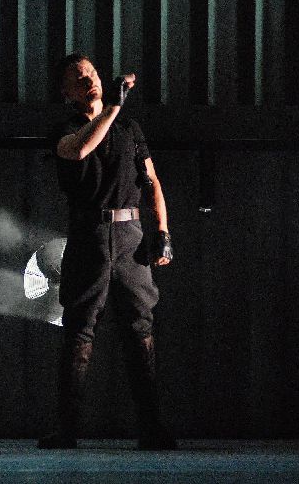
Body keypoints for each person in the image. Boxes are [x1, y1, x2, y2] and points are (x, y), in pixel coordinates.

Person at [39, 53, 177, 450]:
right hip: (90, 236)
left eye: (92, 74)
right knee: (80, 327)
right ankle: (67, 430)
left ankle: (151, 428)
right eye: (79, 78)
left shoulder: (129, 128)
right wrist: (113, 107)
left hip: (130, 234)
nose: (90, 81)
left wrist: (162, 231)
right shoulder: (66, 129)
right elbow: (79, 150)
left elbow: (151, 181)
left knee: (140, 327)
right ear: (66, 92)